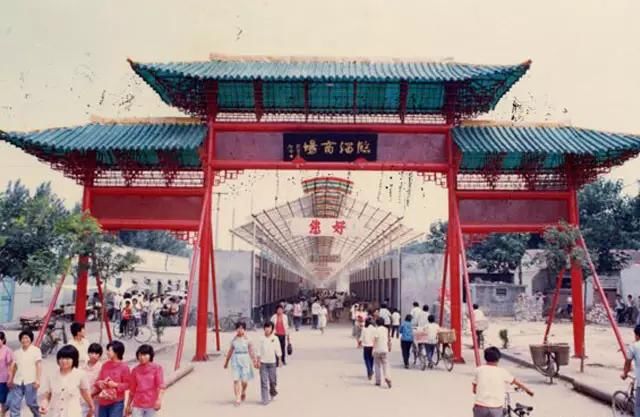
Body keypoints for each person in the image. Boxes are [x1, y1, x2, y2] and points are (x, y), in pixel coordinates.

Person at [473, 347, 533, 416]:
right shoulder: (502, 372)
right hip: (496, 408)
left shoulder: (478, 370)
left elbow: (474, 390)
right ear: (498, 359)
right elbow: (516, 382)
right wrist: (528, 391)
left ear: (485, 358)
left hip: (480, 407)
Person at [39, 345, 94, 417]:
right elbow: (47, 396)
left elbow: (85, 393)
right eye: (61, 358)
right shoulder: (51, 375)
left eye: (67, 358)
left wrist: (91, 407)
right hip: (55, 413)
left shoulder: (80, 374)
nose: (64, 361)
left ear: (74, 359)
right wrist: (43, 405)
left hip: (72, 413)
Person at [7, 330, 41, 417]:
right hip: (18, 381)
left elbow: (38, 366)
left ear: (31, 339)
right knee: (14, 403)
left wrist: (38, 380)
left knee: (30, 403)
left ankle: (37, 415)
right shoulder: (17, 352)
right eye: (22, 338)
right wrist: (11, 379)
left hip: (30, 381)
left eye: (26, 338)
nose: (24, 340)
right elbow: (15, 367)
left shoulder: (36, 350)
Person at [223, 322, 256, 406]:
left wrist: (254, 361)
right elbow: (230, 351)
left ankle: (243, 391)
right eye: (238, 328)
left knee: (244, 381)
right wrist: (226, 362)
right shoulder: (234, 340)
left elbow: (251, 351)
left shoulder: (248, 339)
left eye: (241, 328)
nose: (240, 330)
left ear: (244, 329)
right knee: (236, 380)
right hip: (235, 360)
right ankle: (237, 398)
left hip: (245, 359)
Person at [126, 345, 164, 417]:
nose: (142, 357)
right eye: (140, 355)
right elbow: (132, 390)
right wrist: (128, 405)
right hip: (137, 404)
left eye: (145, 355)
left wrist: (159, 400)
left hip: (151, 404)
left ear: (150, 355)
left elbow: (161, 386)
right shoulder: (135, 370)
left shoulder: (157, 369)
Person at [95, 341, 130, 417]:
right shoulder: (105, 365)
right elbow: (98, 380)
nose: (107, 352)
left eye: (109, 350)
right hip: (103, 400)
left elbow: (128, 385)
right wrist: (100, 383)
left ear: (116, 352)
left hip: (117, 402)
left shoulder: (124, 367)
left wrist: (116, 385)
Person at [255, 322, 282, 406]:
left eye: (269, 327)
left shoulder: (275, 338)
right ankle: (265, 399)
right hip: (263, 363)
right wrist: (258, 361)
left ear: (272, 329)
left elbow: (278, 349)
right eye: (266, 327)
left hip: (272, 363)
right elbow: (259, 350)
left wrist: (279, 359)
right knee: (263, 381)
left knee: (272, 380)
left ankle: (272, 392)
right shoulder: (261, 339)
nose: (267, 329)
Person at [622, 324, 640, 416]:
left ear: (637, 335)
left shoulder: (634, 346)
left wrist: (625, 374)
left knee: (638, 407)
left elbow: (627, 363)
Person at [82, 343, 104, 417]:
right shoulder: (82, 367)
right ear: (88, 353)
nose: (93, 355)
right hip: (83, 398)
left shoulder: (102, 368)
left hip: (96, 398)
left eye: (96, 353)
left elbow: (102, 384)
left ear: (100, 355)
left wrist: (92, 394)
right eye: (91, 353)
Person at [372, 317, 392, 388]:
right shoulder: (386, 329)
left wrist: (373, 349)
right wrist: (389, 346)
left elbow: (375, 339)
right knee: (385, 364)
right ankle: (387, 377)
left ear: (377, 323)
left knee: (377, 365)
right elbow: (389, 339)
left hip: (377, 349)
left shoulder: (376, 330)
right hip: (384, 349)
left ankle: (378, 381)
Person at [0, 332, 13, 417]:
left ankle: (3, 414)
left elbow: (10, 365)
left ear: (3, 340)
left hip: (3, 379)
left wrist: (10, 378)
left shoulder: (7, 350)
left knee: (2, 400)